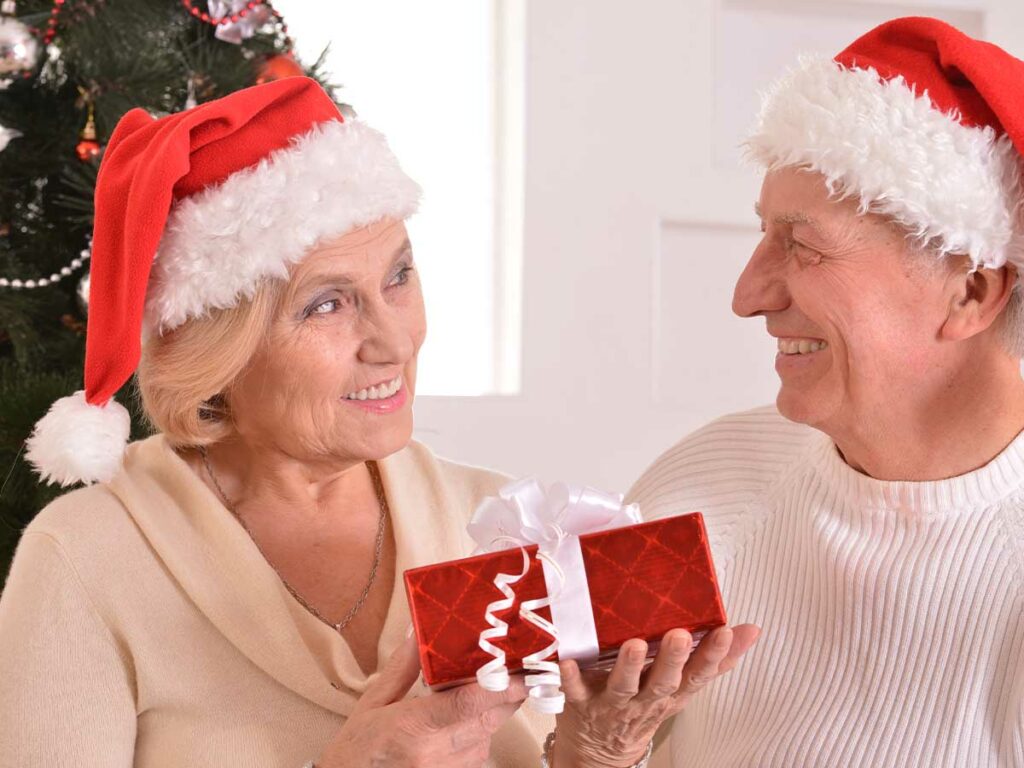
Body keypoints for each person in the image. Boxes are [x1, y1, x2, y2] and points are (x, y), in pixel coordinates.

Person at [0, 77, 757, 767]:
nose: (395, 340)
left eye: (398, 276)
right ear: (217, 351)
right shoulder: (85, 557)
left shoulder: (495, 522)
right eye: (327, 304)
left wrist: (594, 750)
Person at [627, 17, 1024, 767]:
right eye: (763, 235)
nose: (748, 295)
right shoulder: (705, 483)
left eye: (803, 245)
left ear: (970, 290)